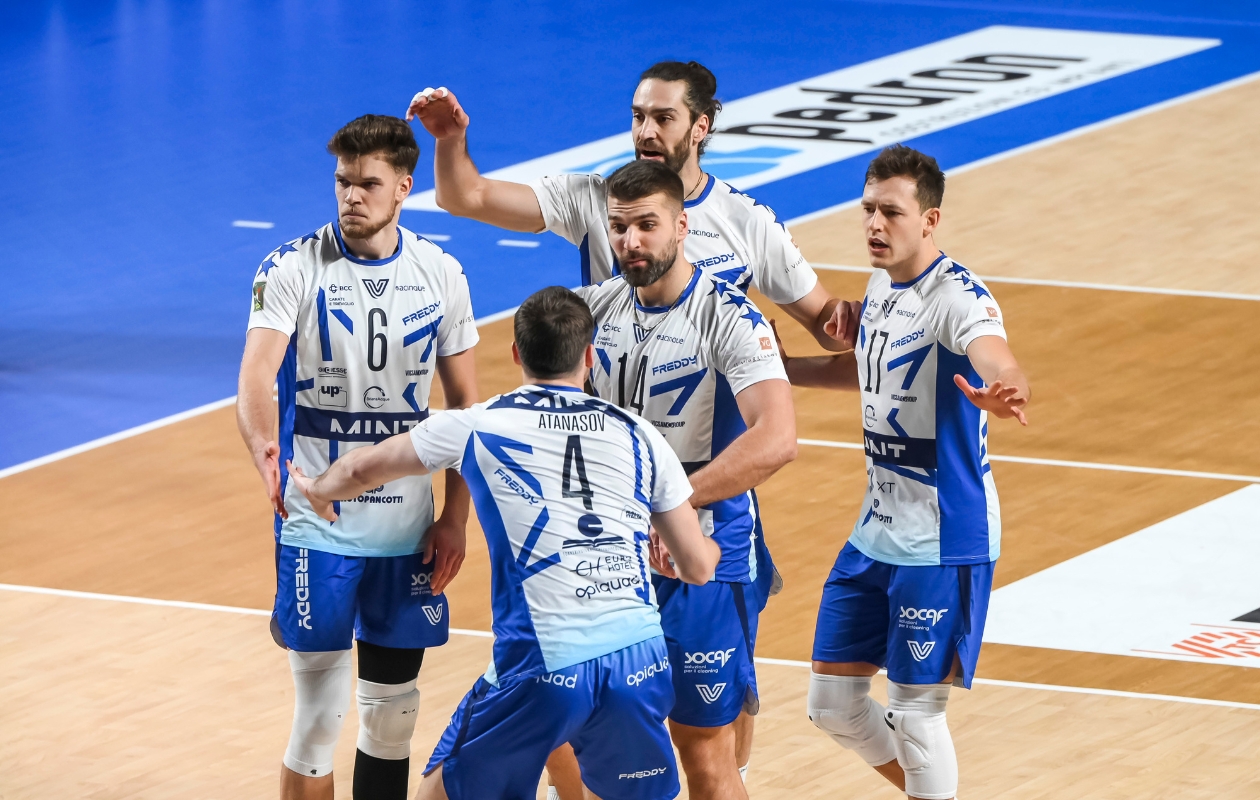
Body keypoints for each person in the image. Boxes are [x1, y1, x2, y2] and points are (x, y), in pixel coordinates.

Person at [407, 59, 844, 796]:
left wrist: (897, 339)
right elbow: (467, 195)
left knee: (708, 746)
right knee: (565, 715)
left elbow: (824, 340)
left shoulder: (742, 237)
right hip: (606, 520)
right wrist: (450, 142)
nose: (645, 129)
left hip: (702, 510)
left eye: (662, 117)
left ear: (700, 127)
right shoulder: (595, 235)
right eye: (638, 115)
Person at [285, 285, 721, 800]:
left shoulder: (479, 424)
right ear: (590, 355)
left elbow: (361, 469)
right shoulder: (640, 434)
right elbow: (697, 568)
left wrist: (317, 489)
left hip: (543, 662)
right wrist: (706, 549)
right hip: (639, 660)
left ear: (517, 353)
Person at [773, 145, 1030, 800]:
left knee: (917, 717)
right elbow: (867, 369)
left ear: (929, 220)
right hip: (877, 531)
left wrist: (1006, 386)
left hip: (943, 538)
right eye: (868, 210)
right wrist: (784, 369)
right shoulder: (882, 287)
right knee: (833, 705)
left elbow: (995, 353)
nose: (874, 224)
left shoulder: (959, 297)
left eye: (891, 212)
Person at [236, 114, 479, 800]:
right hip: (318, 524)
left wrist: (454, 518)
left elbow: (466, 408)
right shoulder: (290, 267)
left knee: (392, 720)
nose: (351, 195)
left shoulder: (441, 273)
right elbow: (256, 374)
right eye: (343, 181)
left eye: (368, 183)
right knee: (319, 720)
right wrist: (264, 449)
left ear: (404, 187)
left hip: (408, 530)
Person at [560, 159, 790, 798]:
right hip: (610, 553)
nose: (630, 242)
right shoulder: (593, 310)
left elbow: (777, 439)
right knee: (581, 736)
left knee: (704, 751)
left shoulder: (729, 318)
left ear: (683, 226)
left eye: (646, 225)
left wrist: (675, 506)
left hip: (704, 557)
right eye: (618, 227)